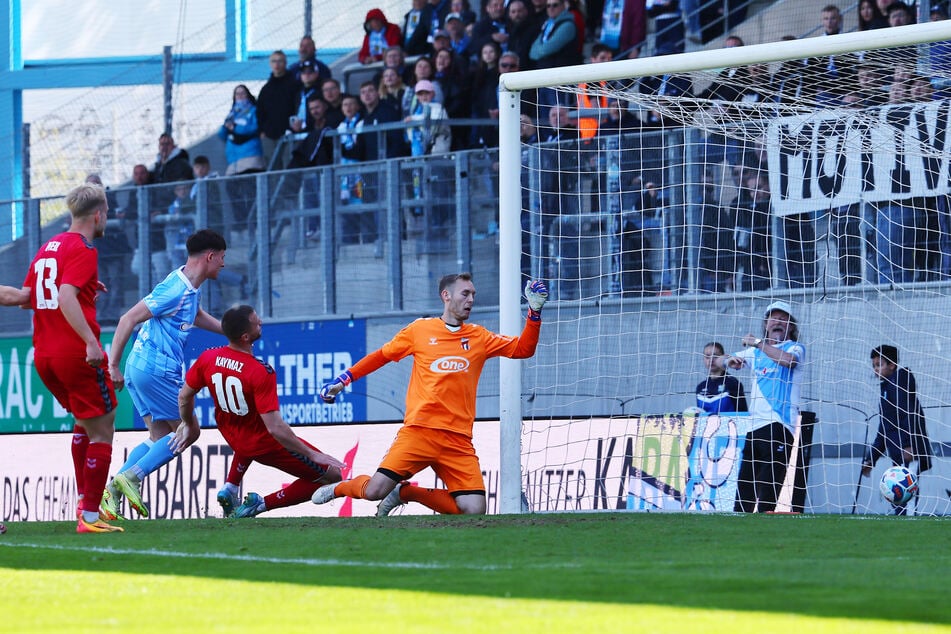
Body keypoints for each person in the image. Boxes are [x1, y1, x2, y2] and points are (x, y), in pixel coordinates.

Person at [311, 274, 549, 516]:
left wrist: (534, 313)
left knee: (474, 510)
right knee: (374, 490)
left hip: (457, 439)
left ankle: (406, 493)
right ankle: (340, 488)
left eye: (473, 295)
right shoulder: (420, 330)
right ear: (446, 296)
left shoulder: (480, 337)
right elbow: (381, 356)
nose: (471, 300)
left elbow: (523, 349)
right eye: (465, 294)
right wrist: (344, 379)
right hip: (419, 432)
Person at [3, 183, 122, 533]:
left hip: (44, 355)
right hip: (74, 353)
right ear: (98, 214)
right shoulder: (84, 249)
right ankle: (89, 516)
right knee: (104, 426)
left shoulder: (48, 248)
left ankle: (85, 503)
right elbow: (65, 295)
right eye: (107, 213)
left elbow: (26, 297)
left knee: (85, 422)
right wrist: (90, 342)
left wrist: (84, 289)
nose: (107, 219)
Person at [99, 229, 229, 520]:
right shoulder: (175, 289)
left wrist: (228, 331)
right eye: (222, 258)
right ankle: (133, 476)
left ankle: (111, 495)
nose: (223, 264)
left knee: (159, 436)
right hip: (155, 369)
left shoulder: (187, 285)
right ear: (210, 256)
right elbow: (127, 318)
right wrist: (112, 365)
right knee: (189, 430)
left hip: (141, 367)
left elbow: (195, 316)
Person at [176, 304, 346, 518]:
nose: (261, 322)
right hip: (264, 444)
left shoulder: (207, 358)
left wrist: (188, 422)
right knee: (333, 475)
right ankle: (259, 505)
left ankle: (230, 487)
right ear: (246, 337)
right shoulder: (259, 371)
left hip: (233, 437)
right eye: (257, 321)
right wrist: (313, 454)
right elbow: (275, 429)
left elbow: (183, 396)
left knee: (248, 422)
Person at [721, 301, 805, 513]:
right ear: (766, 323)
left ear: (791, 326)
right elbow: (720, 360)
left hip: (779, 426)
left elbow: (789, 361)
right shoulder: (753, 353)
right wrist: (730, 361)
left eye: (783, 318)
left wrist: (758, 343)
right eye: (773, 318)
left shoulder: (795, 348)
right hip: (754, 428)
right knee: (744, 493)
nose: (777, 322)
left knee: (768, 492)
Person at [861, 345, 933, 515]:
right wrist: (871, 459)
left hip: (909, 450)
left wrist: (909, 445)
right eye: (874, 366)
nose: (876, 369)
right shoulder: (886, 388)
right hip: (898, 453)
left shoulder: (901, 382)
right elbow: (884, 428)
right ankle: (903, 525)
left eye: (879, 365)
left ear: (892, 365)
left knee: (907, 496)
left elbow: (908, 413)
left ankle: (911, 525)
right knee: (898, 498)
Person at [219, 84, 266, 228]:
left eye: (242, 94)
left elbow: (252, 128)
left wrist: (235, 128)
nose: (240, 97)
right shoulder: (232, 113)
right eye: (237, 94)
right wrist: (226, 126)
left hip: (250, 157)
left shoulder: (253, 111)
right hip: (234, 161)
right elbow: (221, 134)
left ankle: (255, 220)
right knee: (231, 188)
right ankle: (242, 221)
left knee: (250, 190)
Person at [256, 50, 299, 169]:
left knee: (288, 167)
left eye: (280, 61)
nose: (277, 64)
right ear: (270, 64)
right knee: (272, 169)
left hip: (288, 134)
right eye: (274, 61)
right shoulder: (266, 89)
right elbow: (260, 112)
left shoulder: (294, 85)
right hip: (269, 136)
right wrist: (262, 132)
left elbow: (298, 107)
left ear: (285, 63)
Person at [695, 342, 747, 414]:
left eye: (715, 356)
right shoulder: (700, 387)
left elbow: (743, 414)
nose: (711, 360)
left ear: (722, 358)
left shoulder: (733, 383)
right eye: (707, 356)